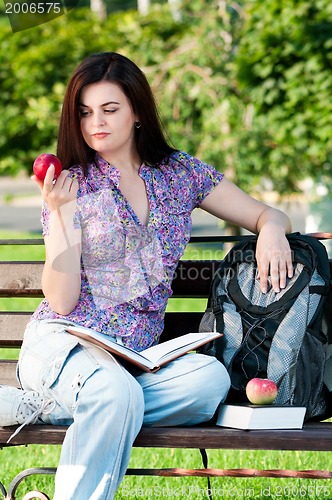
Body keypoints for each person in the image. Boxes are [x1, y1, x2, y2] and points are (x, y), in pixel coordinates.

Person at [0, 52, 293, 499]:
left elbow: (263, 213)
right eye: (85, 112)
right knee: (113, 392)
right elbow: (61, 302)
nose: (95, 122)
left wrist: (272, 228)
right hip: (64, 344)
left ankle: (45, 409)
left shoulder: (180, 174)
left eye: (110, 109)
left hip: (133, 363)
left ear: (137, 111)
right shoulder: (69, 183)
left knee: (208, 382)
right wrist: (60, 217)